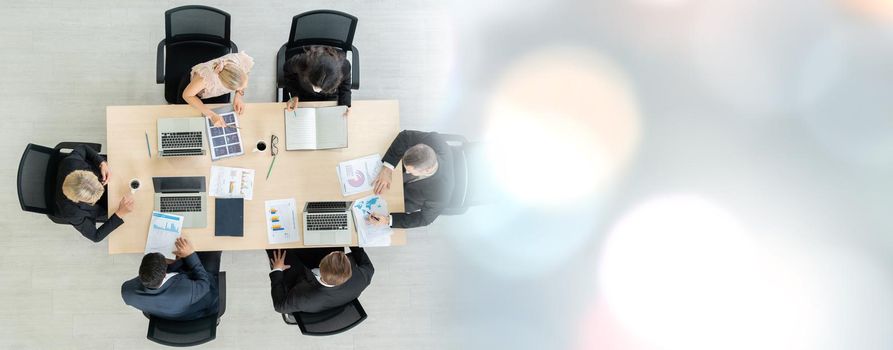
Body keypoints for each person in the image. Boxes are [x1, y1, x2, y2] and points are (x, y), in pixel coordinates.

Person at [369, 130, 455, 228]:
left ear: (427, 170)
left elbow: (424, 219)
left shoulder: (441, 193)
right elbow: (404, 136)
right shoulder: (434, 140)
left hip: (409, 198)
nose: (407, 172)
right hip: (396, 181)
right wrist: (387, 168)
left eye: (410, 171)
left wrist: (387, 220)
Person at [121, 237, 222, 321]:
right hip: (202, 297)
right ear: (165, 274)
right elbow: (205, 284)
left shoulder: (127, 293)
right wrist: (190, 255)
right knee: (214, 244)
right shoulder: (186, 290)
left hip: (170, 309)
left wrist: (175, 263)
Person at [55, 144, 134, 242]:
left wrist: (102, 163)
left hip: (109, 179)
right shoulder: (72, 213)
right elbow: (96, 237)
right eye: (92, 199)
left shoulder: (72, 163)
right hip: (104, 207)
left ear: (84, 173)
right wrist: (119, 214)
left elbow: (82, 147)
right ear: (78, 200)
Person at [268, 247, 373, 313]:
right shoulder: (362, 278)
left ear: (321, 264)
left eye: (330, 255)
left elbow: (279, 306)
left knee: (275, 247)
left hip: (299, 280)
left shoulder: (302, 299)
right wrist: (352, 241)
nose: (336, 252)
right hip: (332, 295)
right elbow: (368, 265)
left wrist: (277, 270)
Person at [181, 51, 255, 127]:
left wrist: (238, 95)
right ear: (226, 85)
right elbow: (187, 95)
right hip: (195, 91)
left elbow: (246, 73)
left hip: (214, 92)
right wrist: (211, 115)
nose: (245, 88)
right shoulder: (205, 79)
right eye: (240, 88)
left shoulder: (240, 61)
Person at [283, 46, 352, 115]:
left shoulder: (344, 67)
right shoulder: (301, 62)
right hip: (303, 94)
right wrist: (293, 94)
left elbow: (345, 85)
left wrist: (345, 105)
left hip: (329, 96)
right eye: (315, 85)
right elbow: (287, 71)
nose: (317, 90)